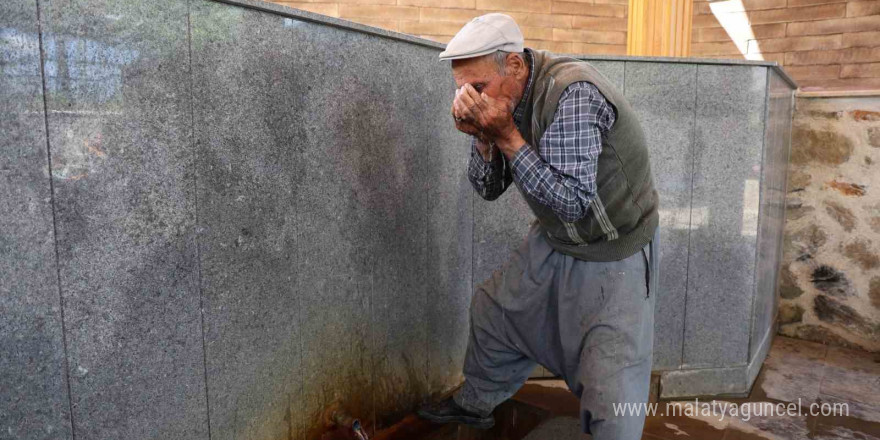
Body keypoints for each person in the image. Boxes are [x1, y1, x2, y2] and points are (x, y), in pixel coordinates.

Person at [416, 13, 661, 440]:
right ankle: (476, 403)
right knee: (494, 312)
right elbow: (488, 189)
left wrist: (507, 134)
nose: (469, 100)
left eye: (477, 89)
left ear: (513, 66)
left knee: (612, 387)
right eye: (461, 91)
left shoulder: (572, 92)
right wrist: (482, 137)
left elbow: (571, 203)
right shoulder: (508, 98)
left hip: (613, 247)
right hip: (554, 239)